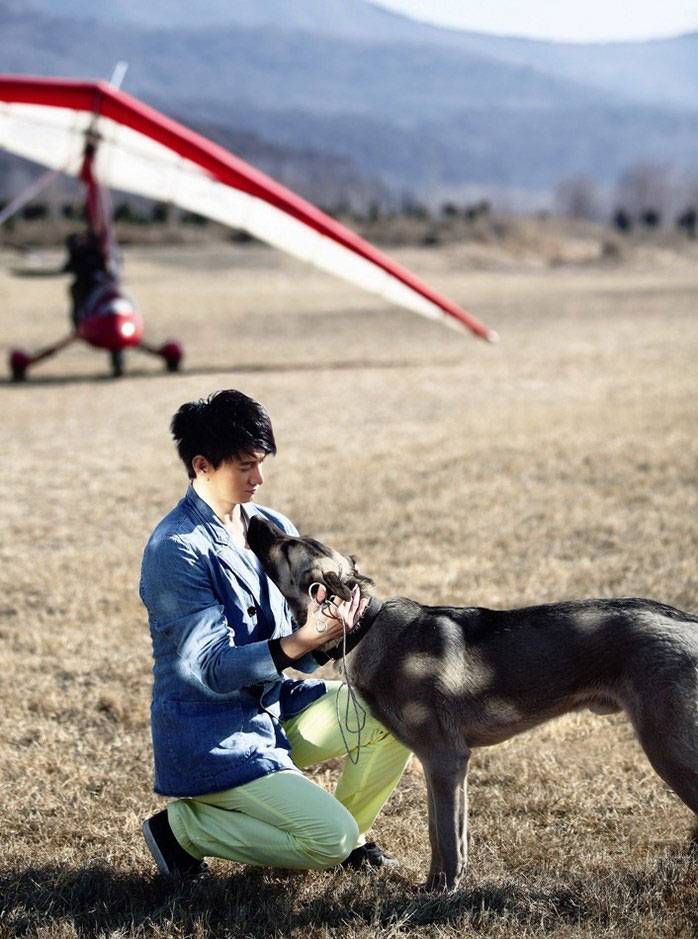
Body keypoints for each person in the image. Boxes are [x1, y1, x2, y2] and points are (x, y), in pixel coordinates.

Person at [139, 390, 410, 878]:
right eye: (245, 467)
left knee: (398, 709)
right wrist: (304, 641)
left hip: (276, 709)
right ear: (202, 465)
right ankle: (184, 830)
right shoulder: (175, 550)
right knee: (326, 838)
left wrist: (331, 633)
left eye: (261, 464)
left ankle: (343, 840)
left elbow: (293, 643)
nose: (258, 479)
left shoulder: (270, 526)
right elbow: (211, 669)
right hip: (214, 735)